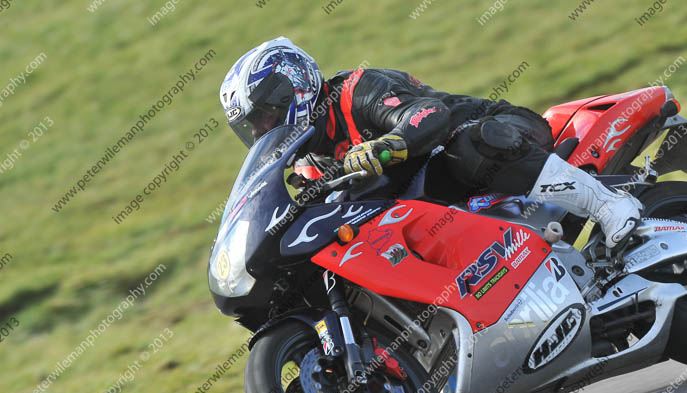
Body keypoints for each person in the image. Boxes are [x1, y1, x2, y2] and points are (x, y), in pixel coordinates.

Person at [219, 37, 642, 248]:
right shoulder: (306, 164)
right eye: (254, 126)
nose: (263, 130)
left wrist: (384, 146)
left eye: (266, 115)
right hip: (445, 205)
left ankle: (607, 203)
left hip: (499, 131)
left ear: (293, 88)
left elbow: (429, 117)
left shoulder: (354, 90)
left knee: (468, 144)